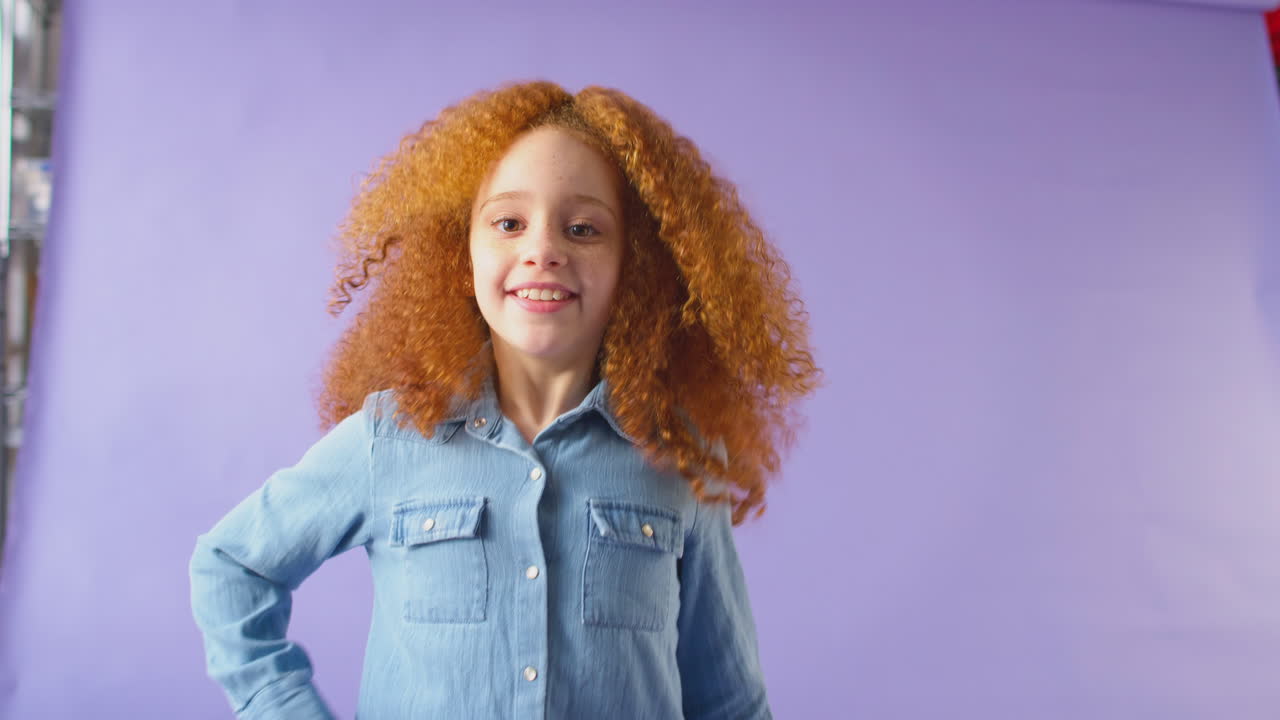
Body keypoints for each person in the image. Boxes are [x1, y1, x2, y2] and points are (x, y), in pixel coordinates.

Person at [189, 80, 820, 720]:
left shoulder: (681, 456)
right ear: (460, 253)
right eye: (509, 222)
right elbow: (231, 567)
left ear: (634, 265)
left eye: (582, 228)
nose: (542, 250)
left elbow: (731, 700)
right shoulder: (392, 436)